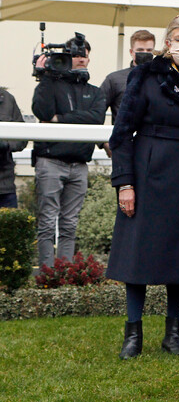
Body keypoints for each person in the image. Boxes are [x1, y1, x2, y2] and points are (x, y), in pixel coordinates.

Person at [106, 14, 179, 360]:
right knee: (137, 254)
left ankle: (173, 333)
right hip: (147, 167)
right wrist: (125, 183)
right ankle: (132, 333)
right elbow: (121, 133)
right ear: (167, 43)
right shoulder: (146, 74)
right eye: (177, 38)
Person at [32, 34, 106, 269]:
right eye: (75, 54)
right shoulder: (51, 85)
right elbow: (42, 112)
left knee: (69, 224)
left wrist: (60, 119)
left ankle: (62, 274)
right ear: (66, 57)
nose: (80, 58)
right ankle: (46, 274)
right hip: (50, 161)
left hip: (79, 164)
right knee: (46, 222)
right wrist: (44, 76)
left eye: (84, 54)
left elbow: (96, 119)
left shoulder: (95, 91)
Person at [100, 29, 156, 122]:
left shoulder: (162, 79)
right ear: (131, 52)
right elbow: (99, 110)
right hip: (124, 133)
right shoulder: (114, 79)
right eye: (140, 50)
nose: (145, 53)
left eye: (149, 50)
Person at [0, 87, 26, 208]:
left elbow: (22, 138)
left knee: (8, 226)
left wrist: (5, 144)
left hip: (4, 186)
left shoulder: (7, 100)